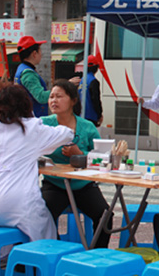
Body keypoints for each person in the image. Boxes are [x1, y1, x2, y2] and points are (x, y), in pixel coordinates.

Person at [0, 83, 74, 242]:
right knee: (45, 232)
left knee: (2, 240)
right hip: (16, 204)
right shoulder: (31, 128)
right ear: (26, 105)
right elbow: (67, 134)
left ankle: (4, 256)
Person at [40, 79, 112, 248]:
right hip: (55, 184)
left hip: (83, 186)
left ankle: (96, 255)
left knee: (105, 215)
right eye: (51, 97)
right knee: (42, 215)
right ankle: (56, 252)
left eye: (59, 96)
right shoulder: (44, 124)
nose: (54, 101)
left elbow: (103, 158)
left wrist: (80, 154)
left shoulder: (87, 127)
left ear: (73, 100)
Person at [14, 36, 50, 117]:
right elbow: (41, 97)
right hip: (33, 118)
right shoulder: (28, 74)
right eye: (40, 51)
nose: (41, 55)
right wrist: (60, 91)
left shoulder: (21, 68)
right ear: (34, 54)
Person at [79, 55, 103, 127]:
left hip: (81, 115)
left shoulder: (82, 80)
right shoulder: (93, 81)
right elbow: (96, 99)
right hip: (91, 116)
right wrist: (99, 114)